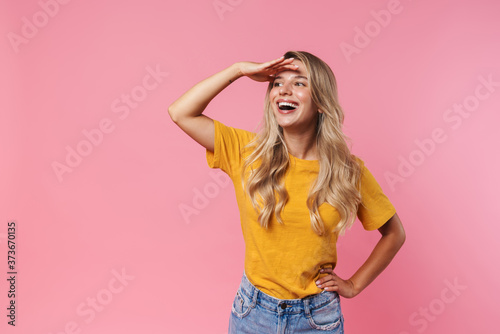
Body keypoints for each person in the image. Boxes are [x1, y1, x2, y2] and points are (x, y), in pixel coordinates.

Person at [168, 51, 406, 333]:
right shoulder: (248, 152)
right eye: (277, 83)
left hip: (317, 318)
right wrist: (239, 69)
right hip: (252, 314)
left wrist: (353, 285)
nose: (284, 90)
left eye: (299, 83)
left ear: (320, 102)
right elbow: (180, 112)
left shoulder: (348, 170)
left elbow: (394, 233)